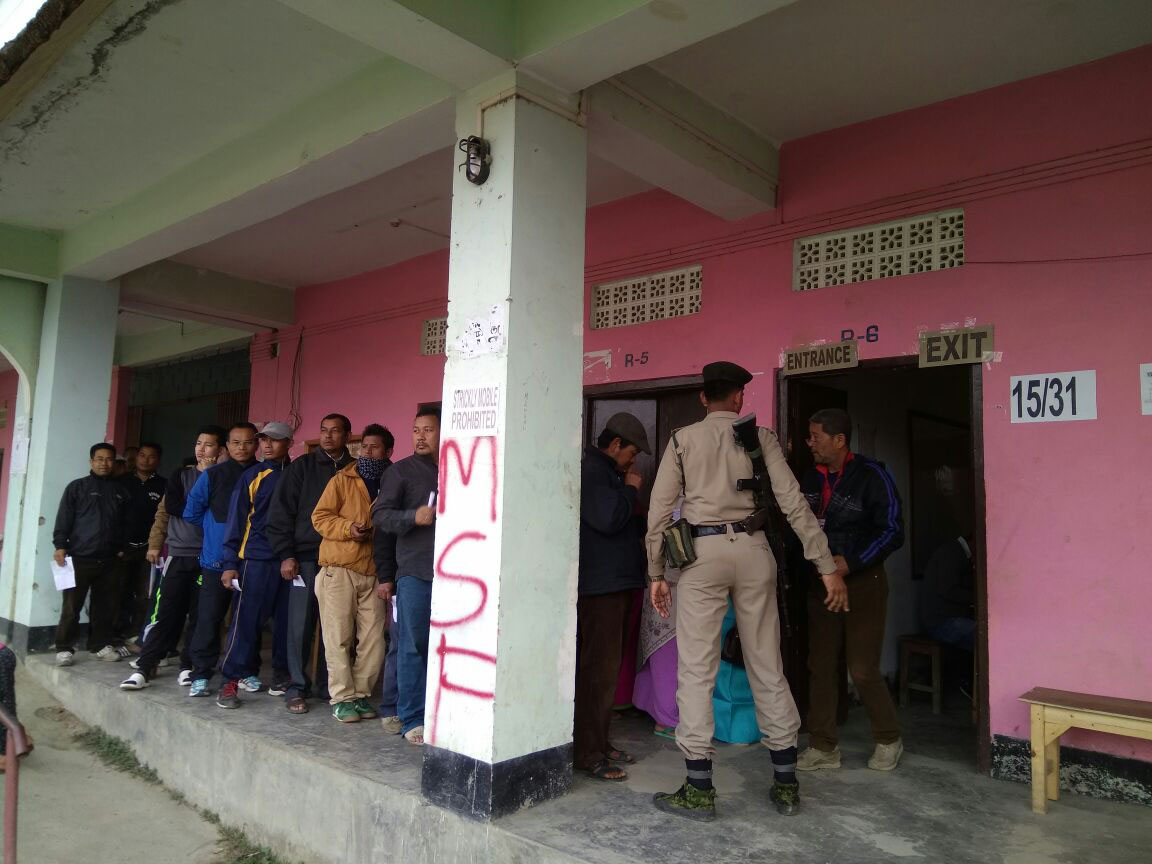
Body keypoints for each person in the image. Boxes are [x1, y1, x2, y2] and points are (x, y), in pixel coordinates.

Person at [645, 362, 846, 821]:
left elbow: (659, 511)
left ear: (703, 398)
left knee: (697, 669)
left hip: (702, 555)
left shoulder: (683, 440)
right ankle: (786, 784)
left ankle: (698, 788)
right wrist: (825, 564)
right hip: (755, 553)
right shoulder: (762, 438)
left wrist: (656, 571)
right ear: (738, 398)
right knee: (766, 664)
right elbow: (794, 502)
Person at [798, 407, 905, 773]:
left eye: (816, 437)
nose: (809, 443)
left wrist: (850, 562)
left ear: (839, 440)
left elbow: (892, 531)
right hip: (820, 585)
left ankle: (889, 738)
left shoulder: (873, 475)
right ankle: (823, 747)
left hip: (863, 584)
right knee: (821, 666)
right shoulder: (807, 478)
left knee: (861, 668)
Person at [120, 426, 225, 691]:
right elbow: (168, 511)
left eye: (209, 445)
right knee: (164, 612)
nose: (202, 449)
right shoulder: (181, 475)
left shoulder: (226, 478)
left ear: (221, 450)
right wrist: (156, 543)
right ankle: (146, 665)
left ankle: (188, 666)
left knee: (199, 616)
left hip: (209, 558)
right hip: (178, 554)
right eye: (199, 443)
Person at [575, 413, 650, 781]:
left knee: (606, 672)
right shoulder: (592, 470)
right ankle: (588, 753)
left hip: (616, 585)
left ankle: (601, 742)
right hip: (600, 589)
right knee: (597, 674)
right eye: (631, 453)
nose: (633, 462)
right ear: (615, 444)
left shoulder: (607, 473)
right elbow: (607, 518)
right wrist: (632, 489)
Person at [266, 413, 355, 714]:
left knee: (337, 627)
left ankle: (327, 685)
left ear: (347, 435)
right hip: (305, 559)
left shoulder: (354, 470)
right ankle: (296, 686)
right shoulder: (301, 468)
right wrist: (285, 554)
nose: (328, 436)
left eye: (335, 431)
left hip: (342, 561)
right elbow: (280, 515)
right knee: (300, 626)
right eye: (323, 431)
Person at [312, 424, 393, 723]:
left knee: (374, 640)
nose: (367, 452)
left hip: (374, 571)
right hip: (338, 568)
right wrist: (348, 529)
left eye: (374, 447)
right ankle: (342, 698)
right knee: (339, 638)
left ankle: (360, 695)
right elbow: (319, 517)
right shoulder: (342, 479)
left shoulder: (393, 480)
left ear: (388, 451)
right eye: (364, 447)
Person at [214, 422, 295, 709]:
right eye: (264, 440)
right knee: (245, 623)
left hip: (290, 561)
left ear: (289, 442)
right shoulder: (252, 475)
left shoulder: (297, 473)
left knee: (288, 624)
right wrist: (229, 563)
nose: (267, 445)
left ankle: (283, 677)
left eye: (275, 440)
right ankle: (230, 681)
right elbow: (236, 521)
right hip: (256, 560)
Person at [371, 406, 439, 745]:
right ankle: (411, 716)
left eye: (428, 429)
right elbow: (380, 517)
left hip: (452, 572)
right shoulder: (401, 472)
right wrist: (415, 516)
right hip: (413, 571)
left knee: (441, 647)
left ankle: (434, 712)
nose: (421, 436)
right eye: (416, 430)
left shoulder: (454, 468)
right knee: (412, 645)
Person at [182, 422, 259, 697]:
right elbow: (191, 512)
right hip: (215, 560)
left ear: (256, 445)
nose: (242, 447)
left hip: (252, 559)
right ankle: (201, 673)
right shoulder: (213, 475)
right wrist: (219, 528)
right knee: (209, 618)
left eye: (248, 442)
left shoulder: (264, 473)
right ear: (227, 446)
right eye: (236, 442)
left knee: (247, 619)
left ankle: (244, 671)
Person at [53, 443, 132, 665]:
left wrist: (122, 549)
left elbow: (127, 524)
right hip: (78, 557)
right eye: (99, 459)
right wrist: (60, 545)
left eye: (109, 459)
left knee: (105, 607)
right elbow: (64, 519)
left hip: (110, 560)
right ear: (91, 462)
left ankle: (99, 645)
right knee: (71, 607)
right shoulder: (77, 488)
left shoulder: (121, 491)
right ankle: (64, 648)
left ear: (114, 463)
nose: (104, 463)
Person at [115, 442, 166, 648]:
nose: (146, 460)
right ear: (136, 457)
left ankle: (137, 632)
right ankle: (115, 633)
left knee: (145, 594)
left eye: (151, 456)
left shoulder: (164, 485)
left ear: (158, 460)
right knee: (118, 591)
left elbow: (163, 519)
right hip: (122, 549)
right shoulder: (122, 482)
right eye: (142, 455)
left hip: (149, 549)